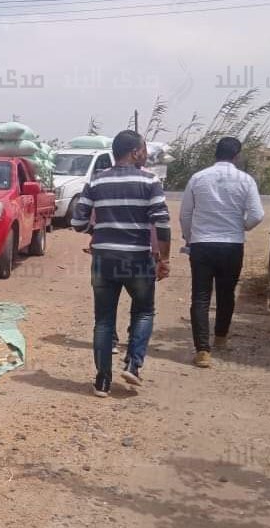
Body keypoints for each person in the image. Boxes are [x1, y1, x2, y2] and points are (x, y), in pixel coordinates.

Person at [72, 130, 171, 397]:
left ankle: (102, 381)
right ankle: (133, 365)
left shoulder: (96, 180)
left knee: (104, 320)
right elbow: (162, 222)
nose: (146, 154)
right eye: (144, 150)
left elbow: (77, 222)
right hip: (138, 259)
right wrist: (164, 259)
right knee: (144, 312)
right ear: (135, 152)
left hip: (104, 259)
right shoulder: (150, 180)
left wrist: (100, 232)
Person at [180, 136, 265, 368]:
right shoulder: (245, 180)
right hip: (232, 244)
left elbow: (185, 214)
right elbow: (257, 214)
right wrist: (242, 226)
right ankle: (220, 337)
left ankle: (202, 350)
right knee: (226, 294)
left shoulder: (198, 178)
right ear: (236, 156)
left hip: (202, 244)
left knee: (200, 296)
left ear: (215, 154)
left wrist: (189, 237)